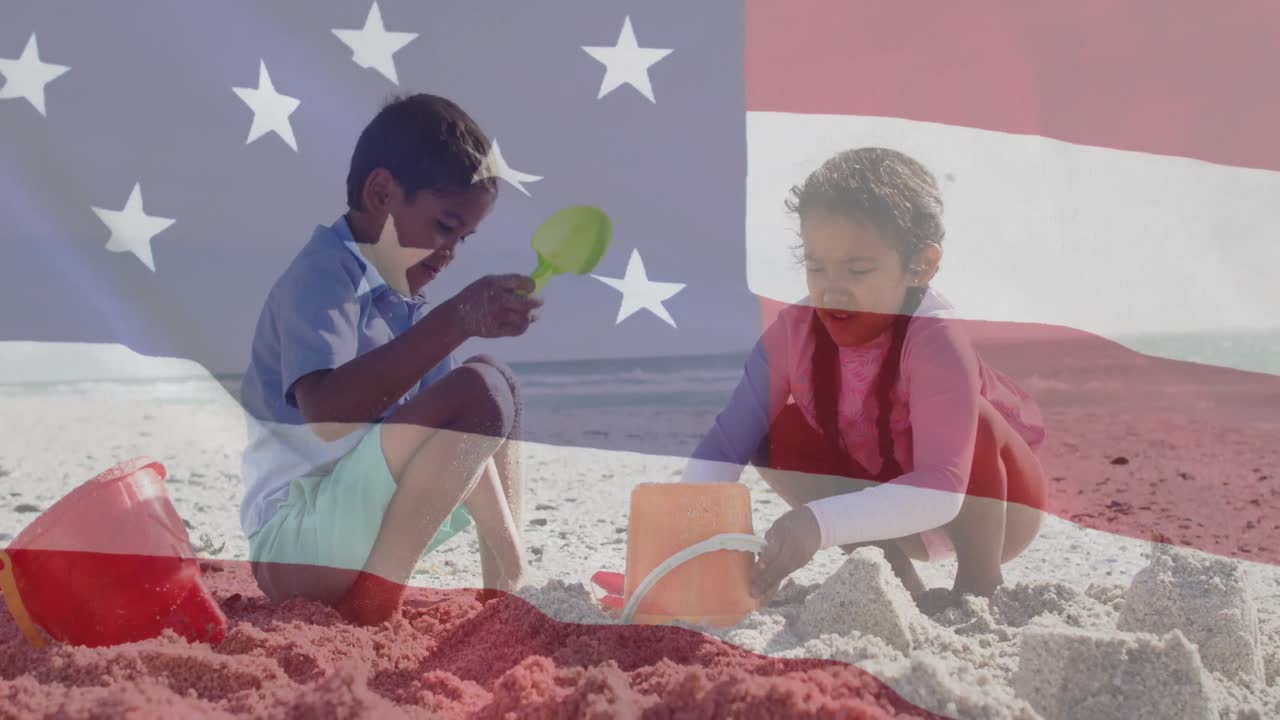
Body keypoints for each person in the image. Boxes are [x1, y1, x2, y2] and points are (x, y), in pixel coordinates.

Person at [681, 147, 1047, 602]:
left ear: (921, 265)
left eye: (857, 269)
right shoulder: (793, 336)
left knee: (977, 416)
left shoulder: (935, 337)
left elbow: (941, 489)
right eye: (816, 266)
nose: (832, 285)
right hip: (884, 501)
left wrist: (816, 522)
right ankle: (895, 583)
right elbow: (726, 445)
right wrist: (686, 538)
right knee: (770, 433)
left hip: (993, 509)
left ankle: (978, 584)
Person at [238, 93, 542, 625]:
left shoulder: (401, 296)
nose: (450, 252)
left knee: (498, 382)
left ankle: (503, 586)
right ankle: (379, 600)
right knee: (481, 389)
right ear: (381, 193)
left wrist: (455, 331)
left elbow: (466, 431)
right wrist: (455, 320)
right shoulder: (324, 273)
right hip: (297, 539)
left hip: (354, 522)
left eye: (463, 239)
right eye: (444, 227)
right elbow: (328, 417)